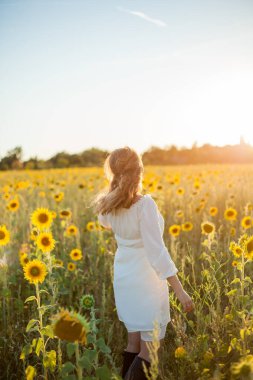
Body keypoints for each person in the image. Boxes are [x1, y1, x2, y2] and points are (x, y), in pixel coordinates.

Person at [91, 146, 194, 380]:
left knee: (134, 342)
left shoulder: (110, 205)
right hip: (146, 281)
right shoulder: (144, 205)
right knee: (150, 351)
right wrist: (180, 290)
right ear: (140, 171)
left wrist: (114, 191)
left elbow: (105, 223)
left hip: (125, 278)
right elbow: (157, 252)